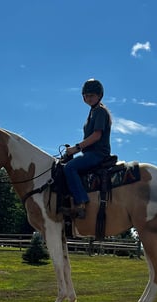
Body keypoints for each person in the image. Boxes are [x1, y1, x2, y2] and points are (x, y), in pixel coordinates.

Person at [64, 78, 112, 219]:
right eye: (85, 95)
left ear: (99, 95)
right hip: (91, 153)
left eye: (91, 95)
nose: (88, 98)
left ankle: (81, 202)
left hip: (97, 154)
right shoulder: (93, 112)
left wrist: (76, 148)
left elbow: (97, 135)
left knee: (69, 168)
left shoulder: (100, 112)